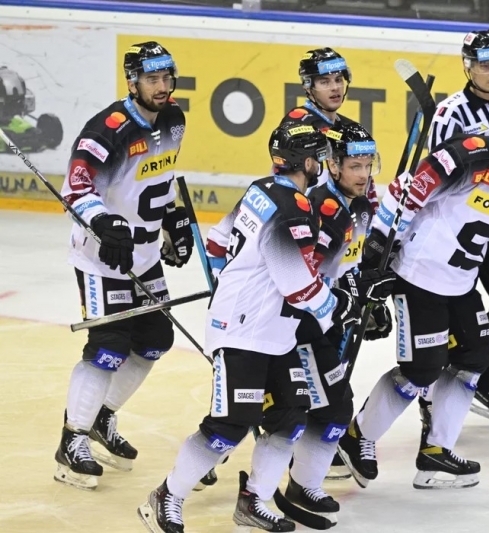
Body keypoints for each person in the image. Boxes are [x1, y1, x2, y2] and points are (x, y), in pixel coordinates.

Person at [137, 122, 362, 533]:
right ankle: (166, 495)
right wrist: (338, 305)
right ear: (309, 162)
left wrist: (232, 281)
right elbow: (297, 287)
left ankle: (253, 500)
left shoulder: (262, 189)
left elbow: (219, 240)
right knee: (229, 424)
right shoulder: (293, 209)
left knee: (290, 417)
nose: (325, 164)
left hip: (274, 333)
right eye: (321, 157)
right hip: (245, 333)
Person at [337, 91, 489, 490]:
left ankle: (437, 451)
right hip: (418, 277)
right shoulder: (464, 154)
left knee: (475, 357)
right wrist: (377, 251)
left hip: (461, 283)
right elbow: (406, 192)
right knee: (422, 369)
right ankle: (357, 439)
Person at [54, 41, 192, 491]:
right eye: (152, 79)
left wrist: (173, 218)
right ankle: (71, 439)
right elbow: (75, 188)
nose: (161, 87)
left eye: (167, 78)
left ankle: (100, 419)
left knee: (154, 339)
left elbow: (161, 175)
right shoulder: (107, 129)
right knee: (109, 345)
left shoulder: (174, 118)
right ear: (132, 81)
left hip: (146, 253)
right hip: (101, 256)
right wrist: (106, 223)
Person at [276, 122, 394, 528]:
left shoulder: (359, 205)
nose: (364, 174)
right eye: (355, 165)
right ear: (333, 165)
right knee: (327, 406)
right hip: (301, 323)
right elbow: (306, 275)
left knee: (326, 404)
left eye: (369, 165)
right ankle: (295, 482)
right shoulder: (321, 208)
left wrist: (367, 290)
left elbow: (348, 265)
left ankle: (302, 482)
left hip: (328, 319)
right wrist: (350, 294)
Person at [422, 29, 489, 426]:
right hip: (457, 231)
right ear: (467, 66)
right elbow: (432, 180)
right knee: (458, 316)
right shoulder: (451, 114)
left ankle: (480, 382)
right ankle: (435, 391)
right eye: (484, 65)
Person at [281, 47, 378, 211]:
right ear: (308, 86)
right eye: (325, 82)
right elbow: (287, 190)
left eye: (339, 79)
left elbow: (365, 189)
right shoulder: (298, 128)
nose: (335, 87)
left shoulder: (351, 129)